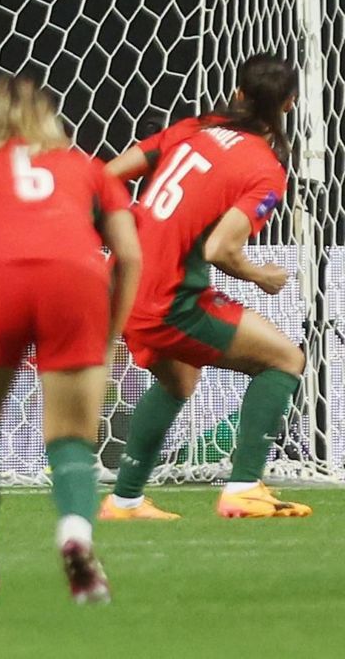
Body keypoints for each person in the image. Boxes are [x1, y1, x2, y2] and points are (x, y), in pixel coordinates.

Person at [0, 74, 141, 605]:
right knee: (70, 437)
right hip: (75, 281)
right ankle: (75, 536)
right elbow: (129, 255)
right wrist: (109, 334)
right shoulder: (87, 167)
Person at [99, 54, 310, 520]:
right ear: (290, 104)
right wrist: (264, 275)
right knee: (285, 360)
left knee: (179, 378)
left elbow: (107, 176)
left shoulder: (191, 129)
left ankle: (124, 499)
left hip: (126, 283)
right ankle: (244, 488)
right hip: (169, 299)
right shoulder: (264, 167)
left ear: (237, 94)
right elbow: (220, 249)